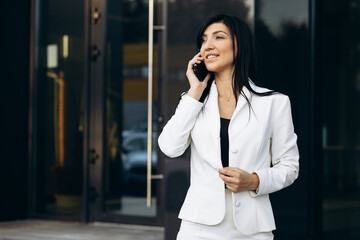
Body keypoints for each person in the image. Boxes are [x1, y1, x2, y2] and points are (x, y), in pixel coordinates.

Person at [158, 14, 299, 240]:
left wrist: (254, 180)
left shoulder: (274, 103)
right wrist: (194, 90)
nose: (207, 46)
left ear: (239, 45)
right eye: (204, 40)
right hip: (199, 227)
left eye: (218, 37)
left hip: (253, 229)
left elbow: (290, 167)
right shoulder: (193, 101)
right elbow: (169, 147)